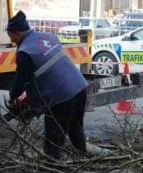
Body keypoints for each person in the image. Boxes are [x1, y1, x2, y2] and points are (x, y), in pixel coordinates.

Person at [6, 10, 89, 159]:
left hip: (61, 96)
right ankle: (82, 162)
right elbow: (44, 70)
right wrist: (29, 95)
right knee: (75, 128)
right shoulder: (50, 37)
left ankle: (51, 170)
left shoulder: (24, 51)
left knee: (53, 139)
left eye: (11, 37)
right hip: (80, 87)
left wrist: (13, 99)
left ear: (17, 33)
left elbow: (21, 79)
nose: (12, 41)